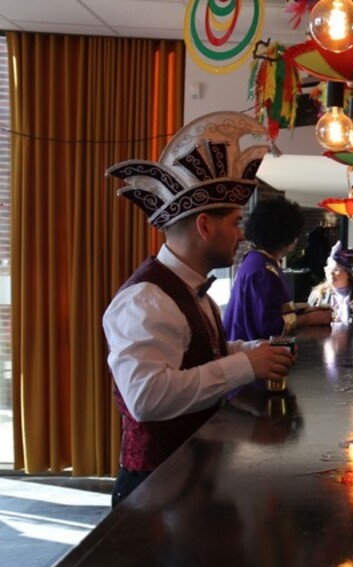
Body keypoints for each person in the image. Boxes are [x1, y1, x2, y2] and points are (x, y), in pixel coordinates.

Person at [103, 111, 295, 507]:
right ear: (205, 226)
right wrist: (244, 366)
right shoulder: (147, 299)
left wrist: (250, 350)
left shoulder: (196, 292)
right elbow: (147, 397)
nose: (241, 235)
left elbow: (198, 356)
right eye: (236, 223)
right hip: (154, 491)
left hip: (189, 480)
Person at [223, 196, 332, 341]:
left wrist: (307, 309)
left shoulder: (256, 260)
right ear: (285, 236)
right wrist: (309, 319)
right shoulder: (262, 271)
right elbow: (269, 326)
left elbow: (277, 308)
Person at [307, 241, 353, 323]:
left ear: (348, 273)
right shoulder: (317, 296)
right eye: (328, 269)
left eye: (336, 270)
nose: (331, 273)